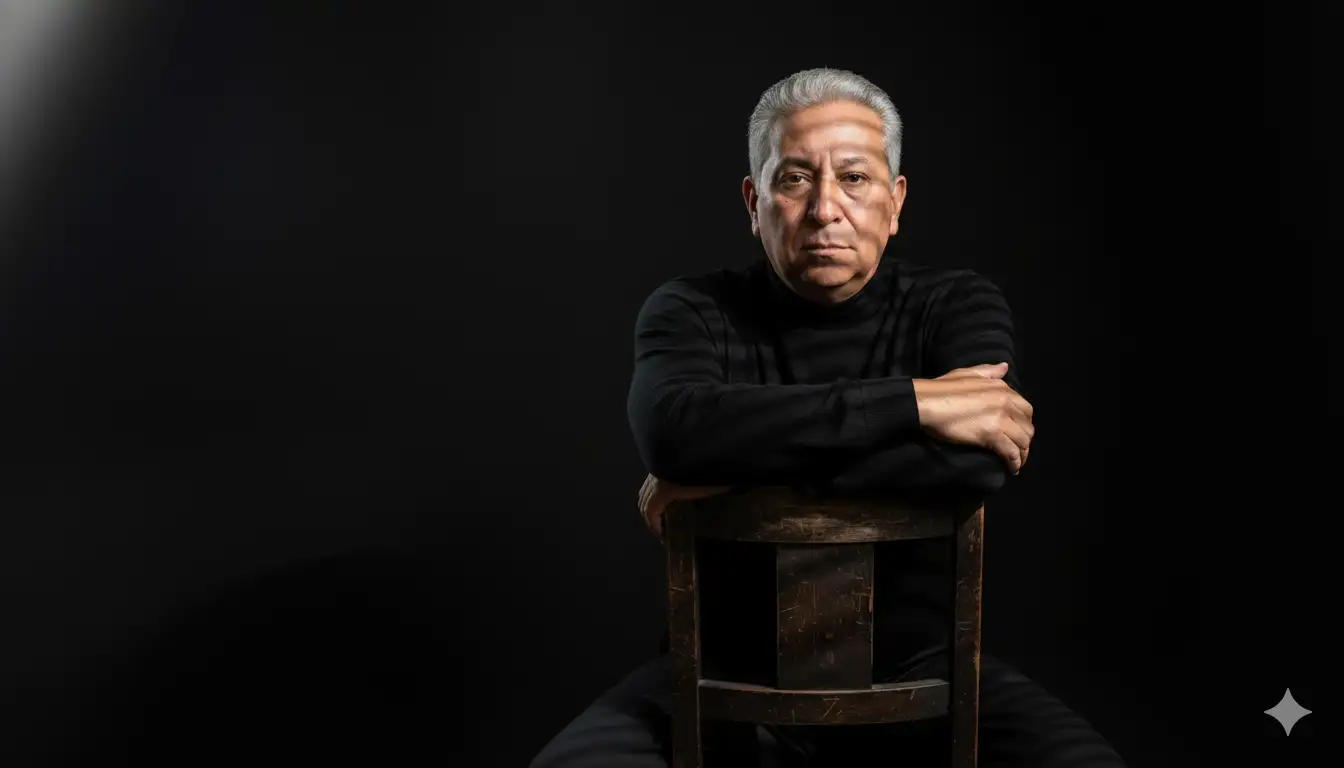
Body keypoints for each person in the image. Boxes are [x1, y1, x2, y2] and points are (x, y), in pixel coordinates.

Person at [530, 68, 1125, 767]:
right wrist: (914, 402)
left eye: (854, 178)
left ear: (895, 202)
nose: (824, 209)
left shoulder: (955, 305)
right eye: (793, 180)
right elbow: (672, 433)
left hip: (924, 677)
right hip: (717, 674)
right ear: (754, 202)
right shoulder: (691, 310)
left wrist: (728, 469)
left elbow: (981, 460)